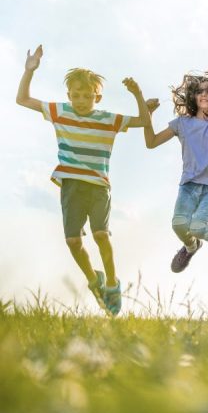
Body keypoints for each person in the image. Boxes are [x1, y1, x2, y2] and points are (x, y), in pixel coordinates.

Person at [16, 44, 156, 315]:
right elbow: (23, 99)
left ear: (98, 98)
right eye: (76, 95)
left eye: (87, 95)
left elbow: (142, 121)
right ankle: (95, 280)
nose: (81, 100)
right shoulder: (60, 112)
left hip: (98, 186)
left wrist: (138, 94)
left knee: (101, 234)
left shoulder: (107, 119)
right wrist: (29, 71)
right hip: (71, 186)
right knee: (73, 243)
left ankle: (113, 285)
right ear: (69, 95)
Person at [141, 65, 208, 273]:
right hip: (188, 187)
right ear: (193, 97)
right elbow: (151, 142)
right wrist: (147, 115)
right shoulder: (182, 123)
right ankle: (191, 247)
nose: (203, 94)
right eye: (199, 91)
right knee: (178, 224)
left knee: (197, 226)